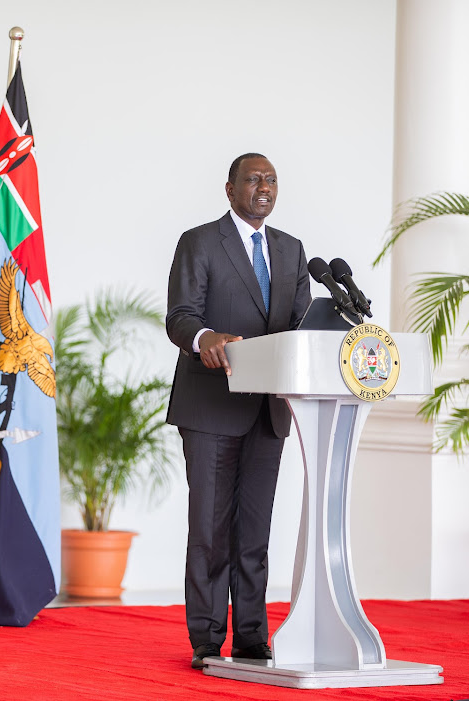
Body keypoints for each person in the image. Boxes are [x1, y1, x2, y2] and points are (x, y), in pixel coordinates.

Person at [165, 153, 311, 668]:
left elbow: (301, 325)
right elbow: (181, 317)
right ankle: (206, 638)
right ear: (230, 190)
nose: (264, 187)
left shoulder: (292, 251)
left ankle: (251, 637)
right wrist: (205, 338)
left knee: (255, 532)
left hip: (267, 412)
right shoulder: (200, 242)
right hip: (210, 406)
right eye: (253, 179)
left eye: (271, 179)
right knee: (209, 529)